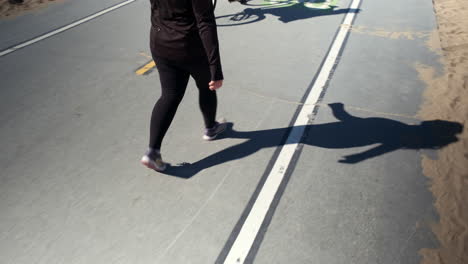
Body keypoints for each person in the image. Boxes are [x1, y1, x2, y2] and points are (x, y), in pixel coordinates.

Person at [141, 0, 227, 172]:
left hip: (160, 43)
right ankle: (210, 128)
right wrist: (215, 68)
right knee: (206, 86)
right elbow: (205, 22)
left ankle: (152, 151)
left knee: (169, 95)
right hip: (190, 46)